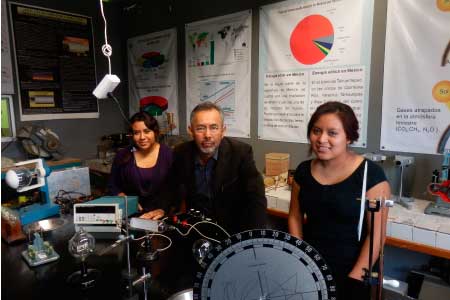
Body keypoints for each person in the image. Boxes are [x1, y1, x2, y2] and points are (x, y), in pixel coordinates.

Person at [288, 101, 391, 300]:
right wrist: (299, 256)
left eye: (332, 133)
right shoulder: (302, 171)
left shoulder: (371, 175)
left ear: (349, 137)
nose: (321, 139)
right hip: (311, 265)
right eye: (316, 131)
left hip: (352, 270)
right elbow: (295, 216)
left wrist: (356, 278)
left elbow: (377, 235)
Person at [165, 101, 267, 234]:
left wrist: (254, 238)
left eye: (214, 127)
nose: (207, 135)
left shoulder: (240, 152)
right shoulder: (181, 152)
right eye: (200, 128)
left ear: (223, 131)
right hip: (196, 228)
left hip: (231, 230)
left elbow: (256, 199)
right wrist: (161, 208)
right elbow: (170, 187)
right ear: (191, 131)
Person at [108, 111, 173, 220]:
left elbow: (176, 189)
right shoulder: (123, 155)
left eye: (147, 131)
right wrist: (122, 196)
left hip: (160, 216)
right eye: (137, 133)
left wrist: (163, 209)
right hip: (130, 216)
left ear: (155, 132)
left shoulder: (168, 155)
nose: (142, 137)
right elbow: (112, 184)